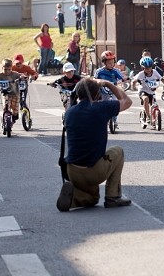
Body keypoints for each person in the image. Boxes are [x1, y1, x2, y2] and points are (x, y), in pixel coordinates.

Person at [56, 77, 133, 212]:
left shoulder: (69, 112)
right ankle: (112, 197)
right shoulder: (101, 108)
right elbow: (127, 101)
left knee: (93, 198)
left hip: (72, 170)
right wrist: (108, 84)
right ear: (97, 93)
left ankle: (74, 199)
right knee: (118, 151)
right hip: (93, 171)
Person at [133, 56, 162, 126]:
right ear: (142, 68)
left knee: (153, 104)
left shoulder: (154, 72)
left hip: (151, 91)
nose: (148, 69)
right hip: (143, 90)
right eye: (146, 68)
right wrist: (134, 83)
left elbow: (160, 78)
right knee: (146, 99)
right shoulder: (141, 74)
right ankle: (148, 116)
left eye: (149, 67)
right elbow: (134, 80)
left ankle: (155, 117)